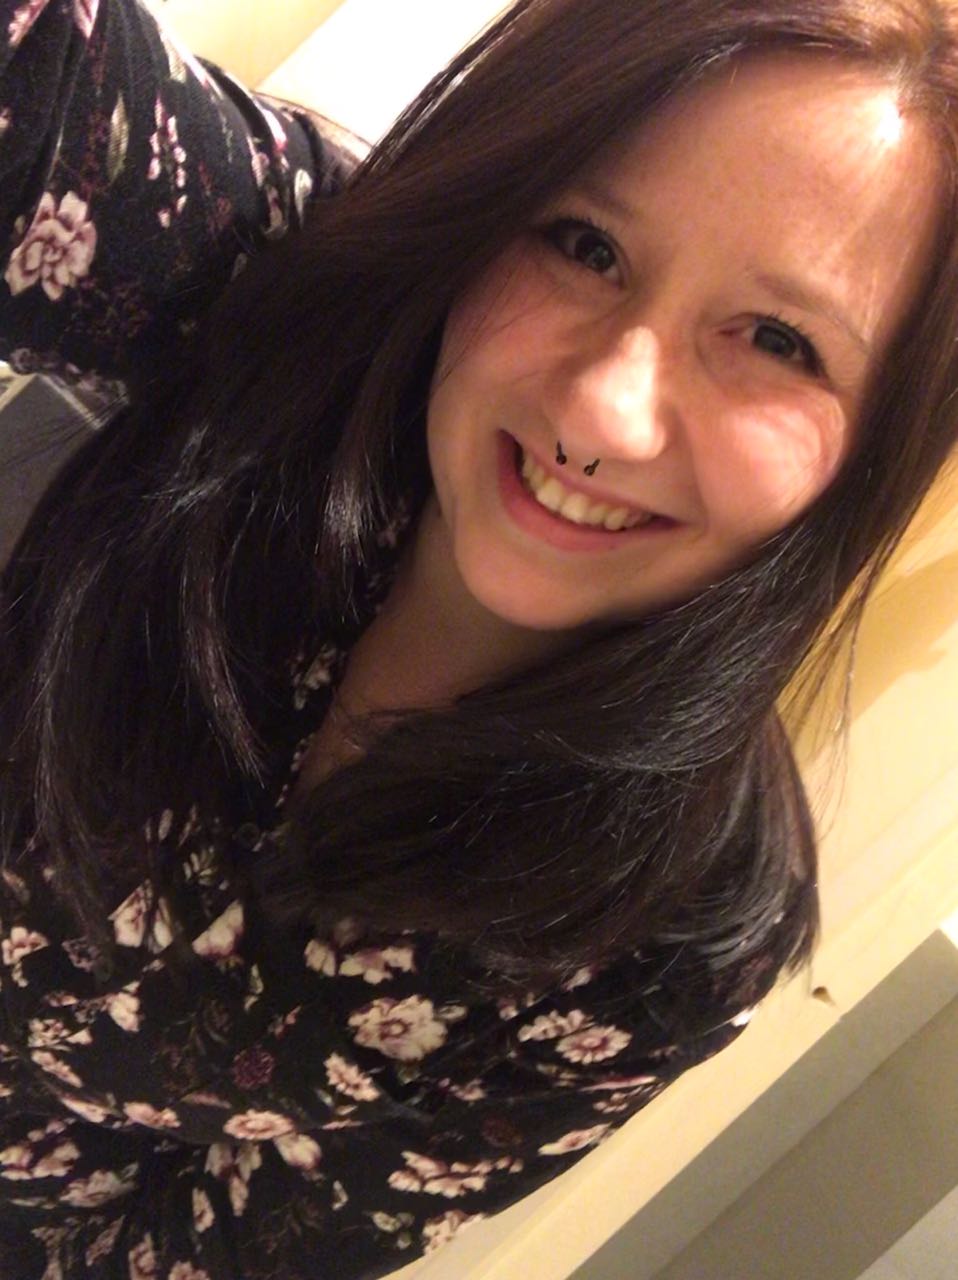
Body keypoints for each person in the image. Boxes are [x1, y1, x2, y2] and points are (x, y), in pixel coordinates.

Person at [0, 0, 954, 1275]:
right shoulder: (306, 291)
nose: (603, 413)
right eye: (583, 244)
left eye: (778, 342)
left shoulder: (673, 941)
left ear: (880, 442)